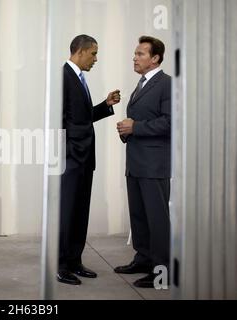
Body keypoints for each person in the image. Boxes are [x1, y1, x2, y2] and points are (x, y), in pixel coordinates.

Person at [58, 35, 121, 285]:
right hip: (71, 159)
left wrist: (105, 105)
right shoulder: (63, 76)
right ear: (81, 51)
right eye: (93, 53)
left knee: (80, 212)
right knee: (67, 213)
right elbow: (58, 120)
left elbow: (80, 118)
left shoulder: (79, 79)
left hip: (84, 159)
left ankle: (75, 261)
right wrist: (69, 152)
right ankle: (61, 265)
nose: (96, 59)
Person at [115, 36, 171, 288]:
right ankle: (143, 258)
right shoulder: (142, 83)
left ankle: (162, 271)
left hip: (154, 164)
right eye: (135, 54)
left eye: (140, 54)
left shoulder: (166, 84)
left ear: (155, 58)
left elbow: (171, 123)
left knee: (156, 218)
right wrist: (128, 130)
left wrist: (135, 126)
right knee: (139, 215)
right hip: (136, 161)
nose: (134, 58)